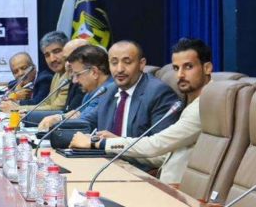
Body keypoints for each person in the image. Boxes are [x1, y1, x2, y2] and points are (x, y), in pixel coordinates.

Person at [69, 38, 212, 184]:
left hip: (170, 187)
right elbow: (162, 154)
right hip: (147, 178)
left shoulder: (204, 106)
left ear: (207, 68)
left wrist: (102, 143)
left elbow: (157, 144)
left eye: (188, 67)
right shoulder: (110, 90)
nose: (180, 75)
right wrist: (112, 144)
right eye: (176, 68)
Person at [71, 40, 180, 168]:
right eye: (114, 63)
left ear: (141, 64)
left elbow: (161, 152)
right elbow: (85, 123)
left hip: (138, 170)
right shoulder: (109, 91)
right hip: (106, 165)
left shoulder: (158, 93)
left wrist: (113, 143)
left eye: (127, 62)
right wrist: (57, 125)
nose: (119, 69)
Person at [38, 44, 112, 129]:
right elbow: (77, 113)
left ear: (94, 72)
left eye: (78, 74)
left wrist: (59, 118)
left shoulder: (110, 91)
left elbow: (85, 120)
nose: (75, 81)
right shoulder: (89, 93)